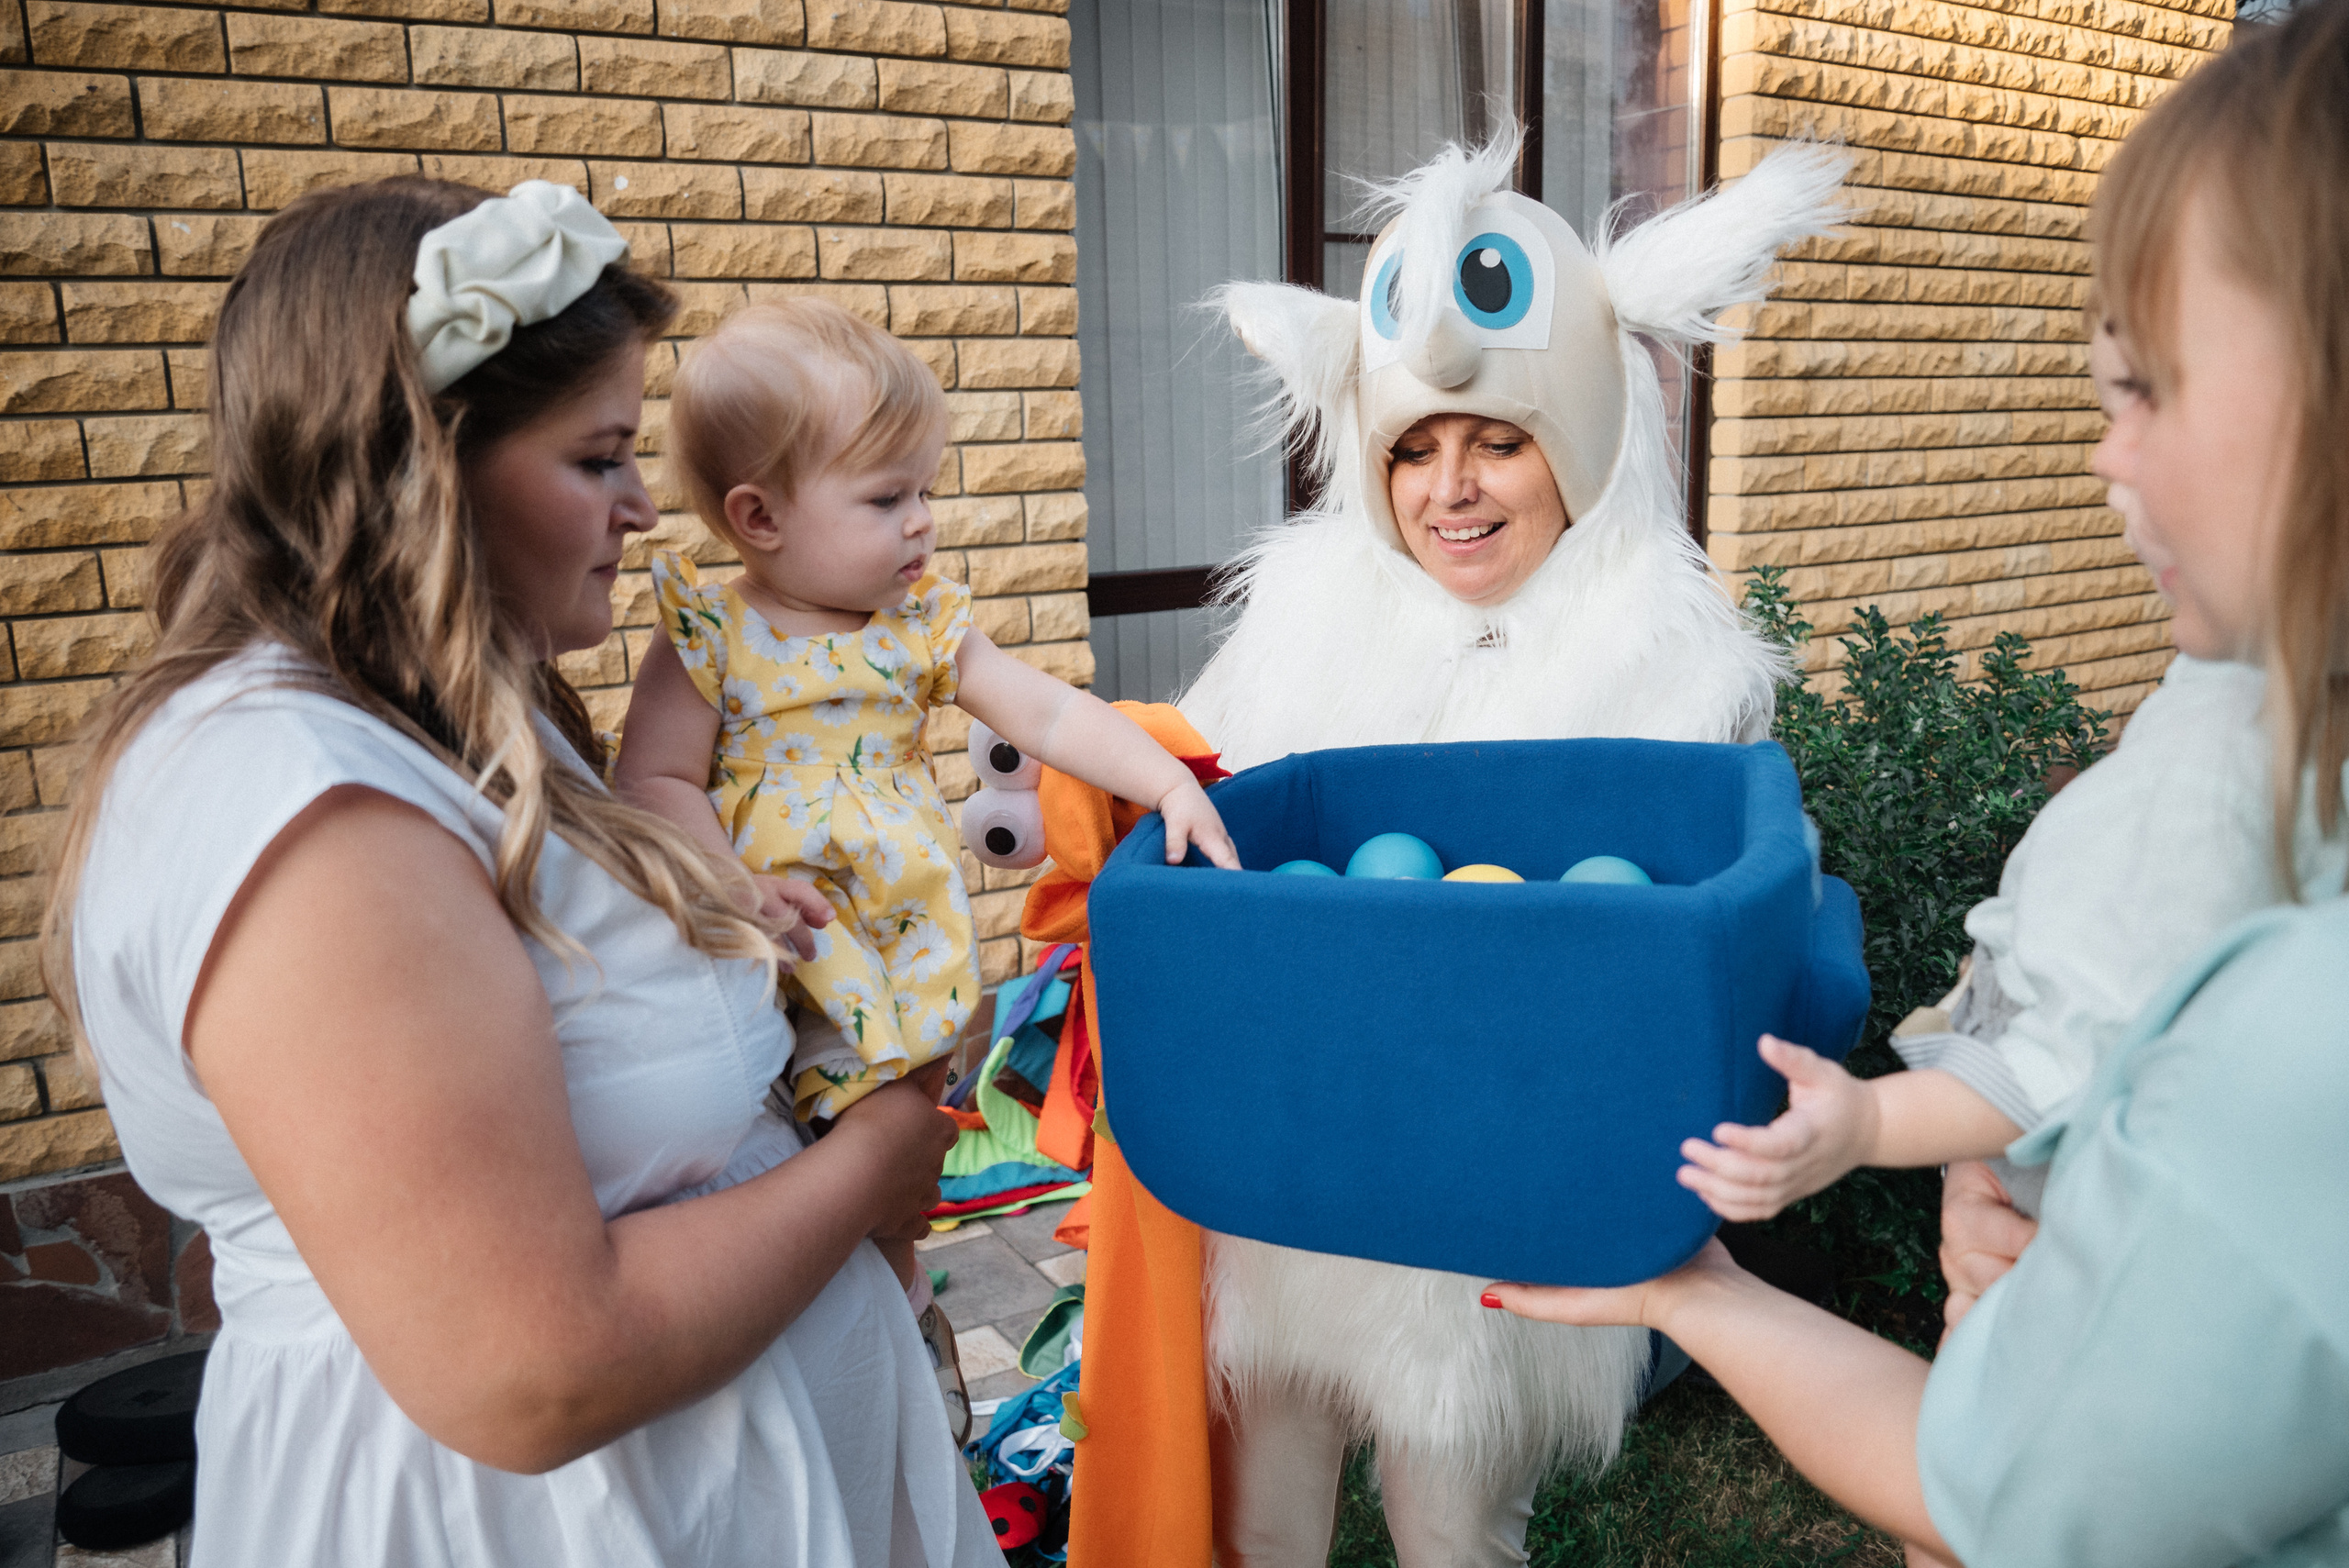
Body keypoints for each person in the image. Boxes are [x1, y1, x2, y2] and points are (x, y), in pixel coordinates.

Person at [1486, 6, 2349, 1562]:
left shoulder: (2295, 1040)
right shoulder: (2242, 722)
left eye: (2145, 385)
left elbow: (2001, 1496)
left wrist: (1734, 1260)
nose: (2111, 460)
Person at [39, 177, 1005, 1567]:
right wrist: (876, 1161)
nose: (639, 513)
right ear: (423, 465)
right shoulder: (309, 809)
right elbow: (531, 1365)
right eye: (600, 457)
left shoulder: (458, 714)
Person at [1063, 129, 1851, 1568]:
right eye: (1415, 449)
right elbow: (1207, 801)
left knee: (1454, 1529)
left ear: (1579, 439)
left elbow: (1696, 921)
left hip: (1498, 1201)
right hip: (1295, 1170)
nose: (1454, 489)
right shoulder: (1301, 625)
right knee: (1264, 1509)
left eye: (1498, 440)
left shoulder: (1672, 662)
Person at [612, 296, 1238, 1423]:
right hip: (776, 944)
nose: (924, 524)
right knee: (786, 1162)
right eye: (887, 498)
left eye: (926, 492)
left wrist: (1165, 776)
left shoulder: (921, 625)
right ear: (758, 517)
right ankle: (851, 1328)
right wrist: (729, 885)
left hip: (903, 956)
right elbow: (650, 783)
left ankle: (901, 1307)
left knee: (898, 1154)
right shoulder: (709, 635)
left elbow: (1046, 713)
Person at [1673, 328, 2345, 1231]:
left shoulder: (2224, 765)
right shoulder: (2235, 679)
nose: (2105, 451)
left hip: (2072, 1221)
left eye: (2155, 397)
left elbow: (2060, 1064)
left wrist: (1867, 1121)